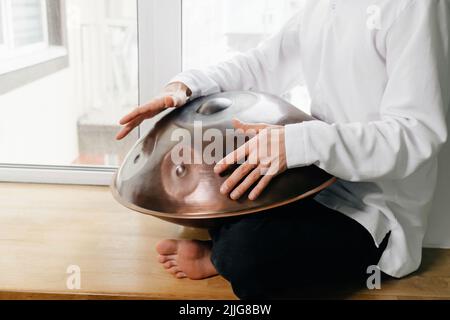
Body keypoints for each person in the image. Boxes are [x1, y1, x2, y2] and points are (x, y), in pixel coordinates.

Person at [117, 0, 450, 299]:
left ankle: (217, 257)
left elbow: (416, 133)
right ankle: (225, 246)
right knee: (216, 190)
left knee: (247, 256)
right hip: (315, 182)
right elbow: (263, 64)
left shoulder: (415, 6)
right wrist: (186, 86)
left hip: (375, 211)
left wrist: (299, 142)